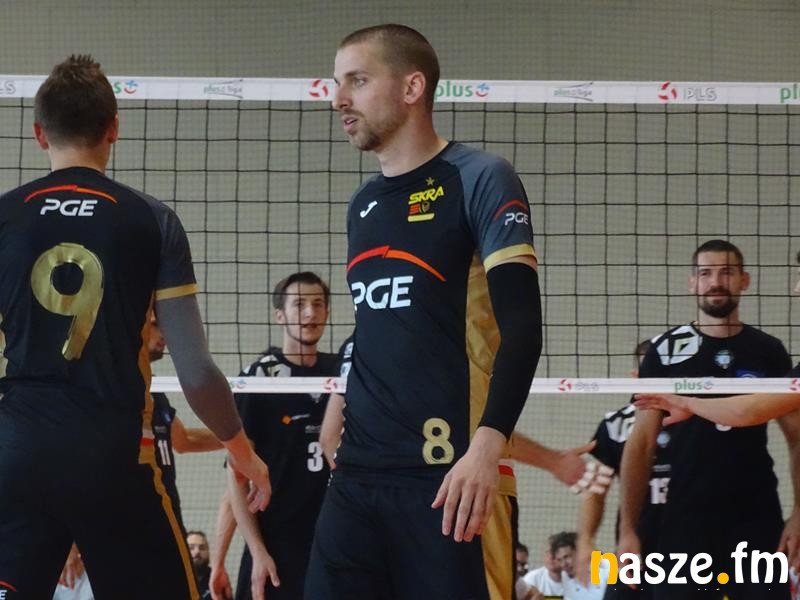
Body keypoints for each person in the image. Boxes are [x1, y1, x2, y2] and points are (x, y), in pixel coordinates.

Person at [0, 55, 269, 599]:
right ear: (114, 128)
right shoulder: (151, 219)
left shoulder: (5, 216)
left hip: (18, 450)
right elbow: (195, 372)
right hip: (114, 455)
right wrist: (240, 449)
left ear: (38, 133)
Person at [305, 23, 543, 599]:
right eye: (338, 83)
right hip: (359, 476)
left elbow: (523, 330)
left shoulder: (480, 177)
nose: (339, 99)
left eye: (357, 81)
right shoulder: (363, 204)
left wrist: (486, 448)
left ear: (412, 87)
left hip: (450, 477)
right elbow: (377, 331)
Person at [619, 239, 799, 599]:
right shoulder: (664, 352)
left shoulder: (768, 351)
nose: (715, 281)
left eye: (726, 272)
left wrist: (798, 513)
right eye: (705, 273)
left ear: (745, 281)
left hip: (756, 515)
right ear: (692, 283)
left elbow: (797, 438)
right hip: (685, 517)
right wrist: (627, 530)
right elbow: (640, 444)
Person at [211, 272, 338, 600]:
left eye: (318, 304)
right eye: (299, 304)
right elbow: (236, 476)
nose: (310, 312)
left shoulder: (341, 371)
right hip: (275, 544)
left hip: (332, 538)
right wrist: (255, 551)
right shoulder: (258, 378)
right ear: (280, 315)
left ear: (327, 312)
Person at [575, 340, 670, 600]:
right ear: (635, 376)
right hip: (635, 552)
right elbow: (596, 488)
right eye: (649, 372)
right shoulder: (616, 425)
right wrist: (585, 540)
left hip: (691, 548)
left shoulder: (697, 420)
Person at [187, 531, 212, 600]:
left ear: (208, 551)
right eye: (191, 548)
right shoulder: (173, 579)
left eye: (202, 548)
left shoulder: (216, 578)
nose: (197, 551)